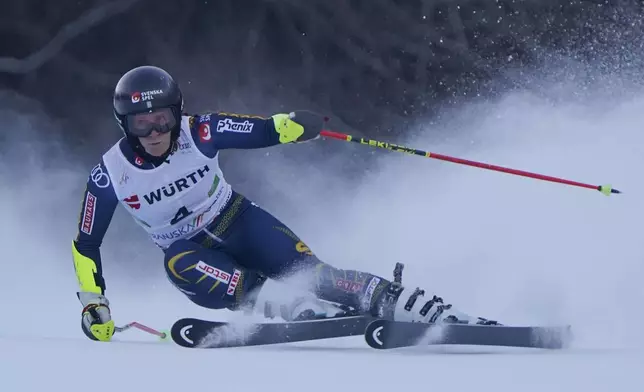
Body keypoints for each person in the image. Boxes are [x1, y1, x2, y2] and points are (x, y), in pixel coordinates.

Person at [72, 65, 496, 342]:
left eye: (161, 118)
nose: (153, 131)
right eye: (140, 123)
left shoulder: (199, 131)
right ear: (123, 124)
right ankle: (288, 305)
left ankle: (413, 305)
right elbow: (85, 245)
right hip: (197, 259)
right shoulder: (110, 175)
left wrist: (291, 126)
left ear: (176, 111)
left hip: (239, 222)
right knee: (177, 261)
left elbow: (259, 130)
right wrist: (95, 301)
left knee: (316, 275)